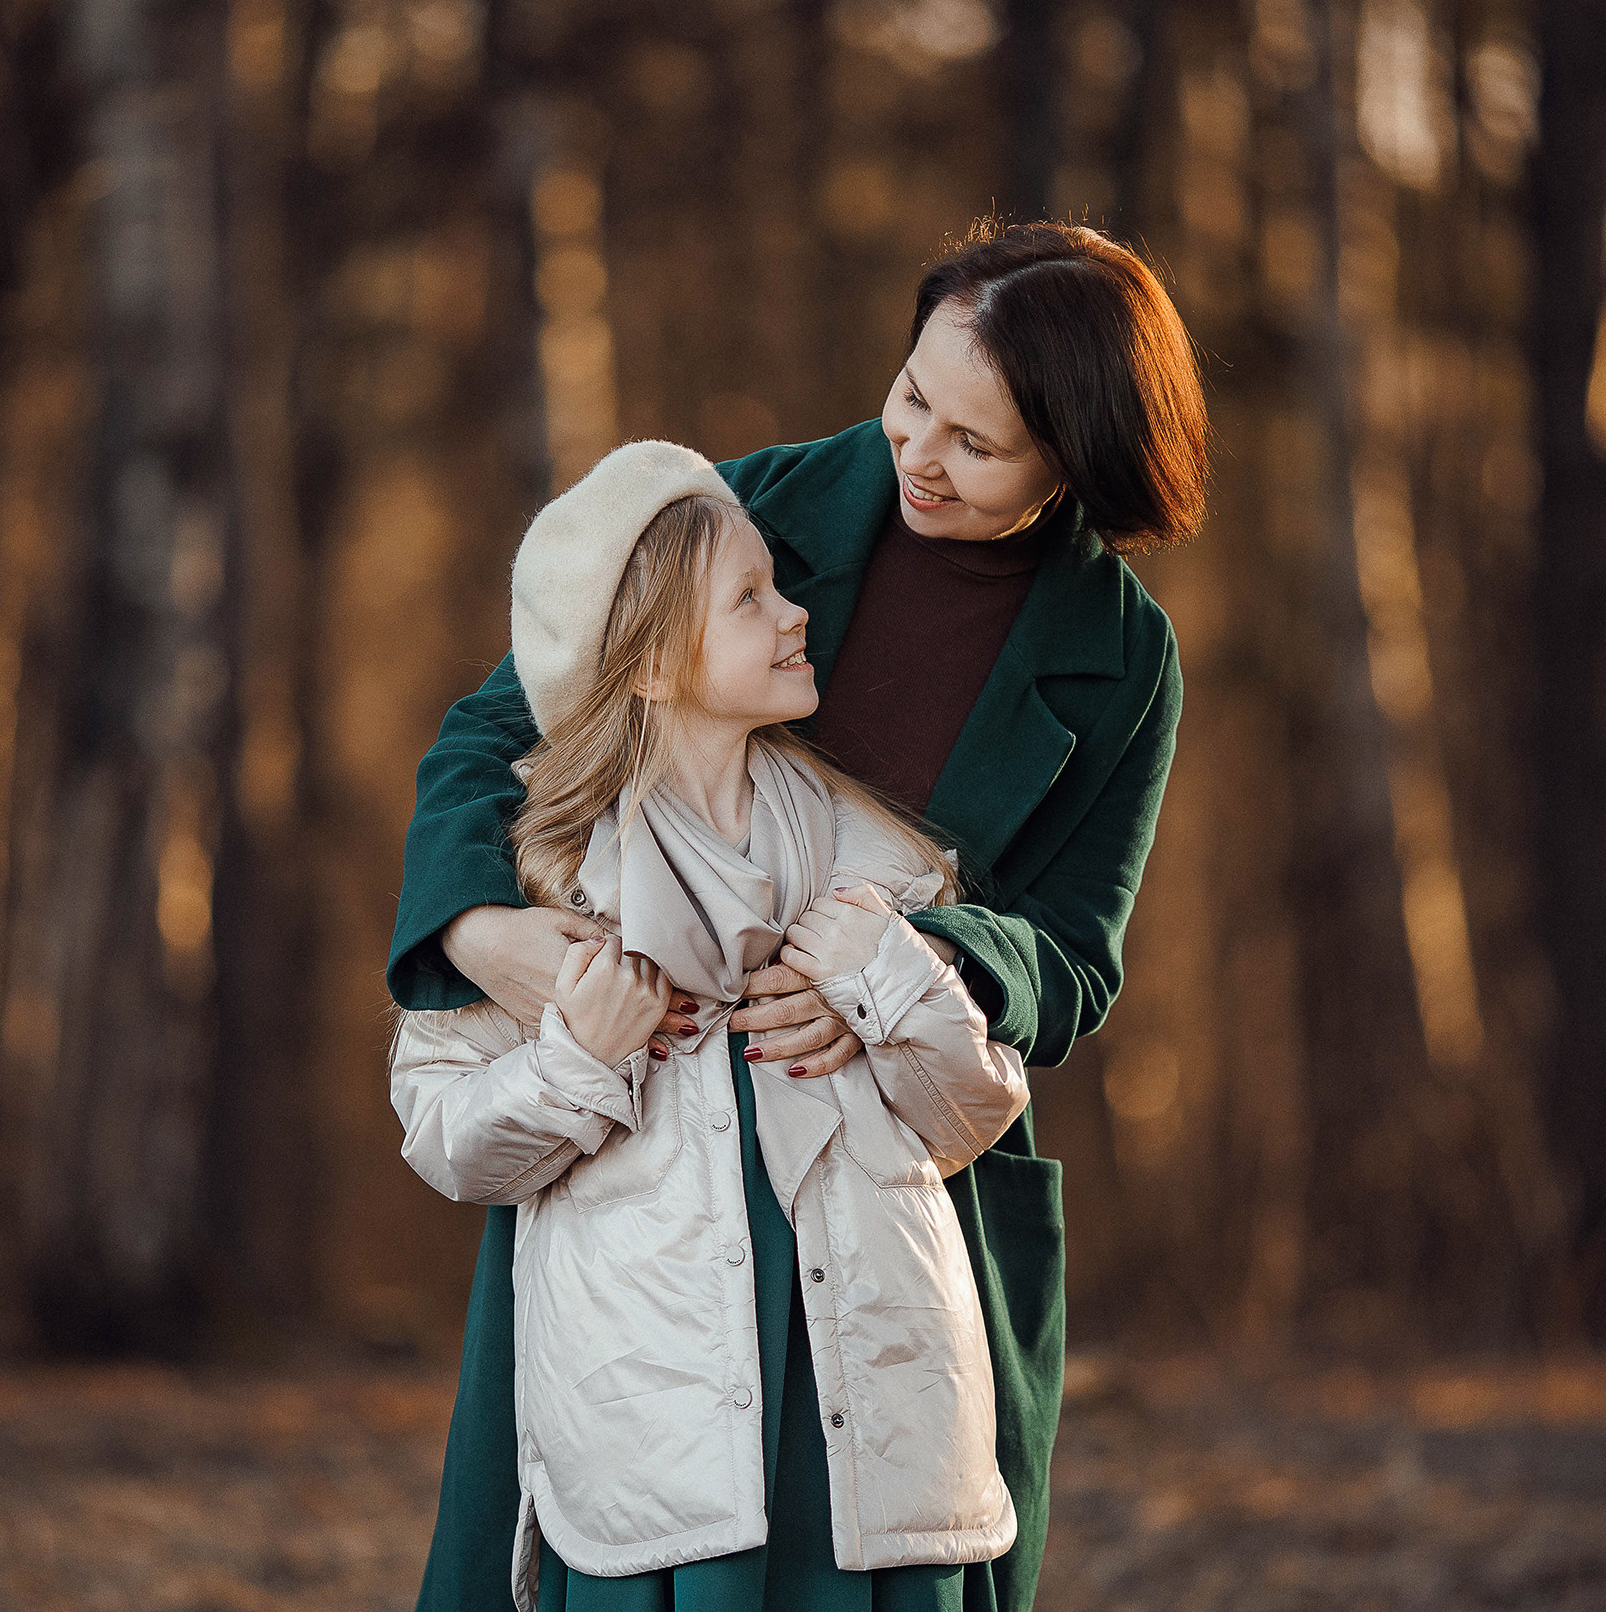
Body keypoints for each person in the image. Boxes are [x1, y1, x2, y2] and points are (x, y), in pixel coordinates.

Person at [392, 220, 1210, 1612]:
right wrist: (475, 927)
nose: (920, 455)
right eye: (912, 398)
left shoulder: (1123, 658)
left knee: (897, 1546)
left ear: (1077, 457)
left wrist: (900, 965)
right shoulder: (754, 508)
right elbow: (497, 730)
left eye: (979, 442)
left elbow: (1075, 952)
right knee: (604, 1523)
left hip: (895, 1139)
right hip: (649, 1154)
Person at [392, 439, 1031, 1608]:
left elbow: (973, 1113)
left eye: (778, 585)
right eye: (750, 598)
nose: (796, 615)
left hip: (870, 1394)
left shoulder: (871, 857)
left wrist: (887, 978)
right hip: (654, 1408)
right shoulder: (545, 880)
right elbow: (441, 1130)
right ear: (646, 666)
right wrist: (582, 1060)